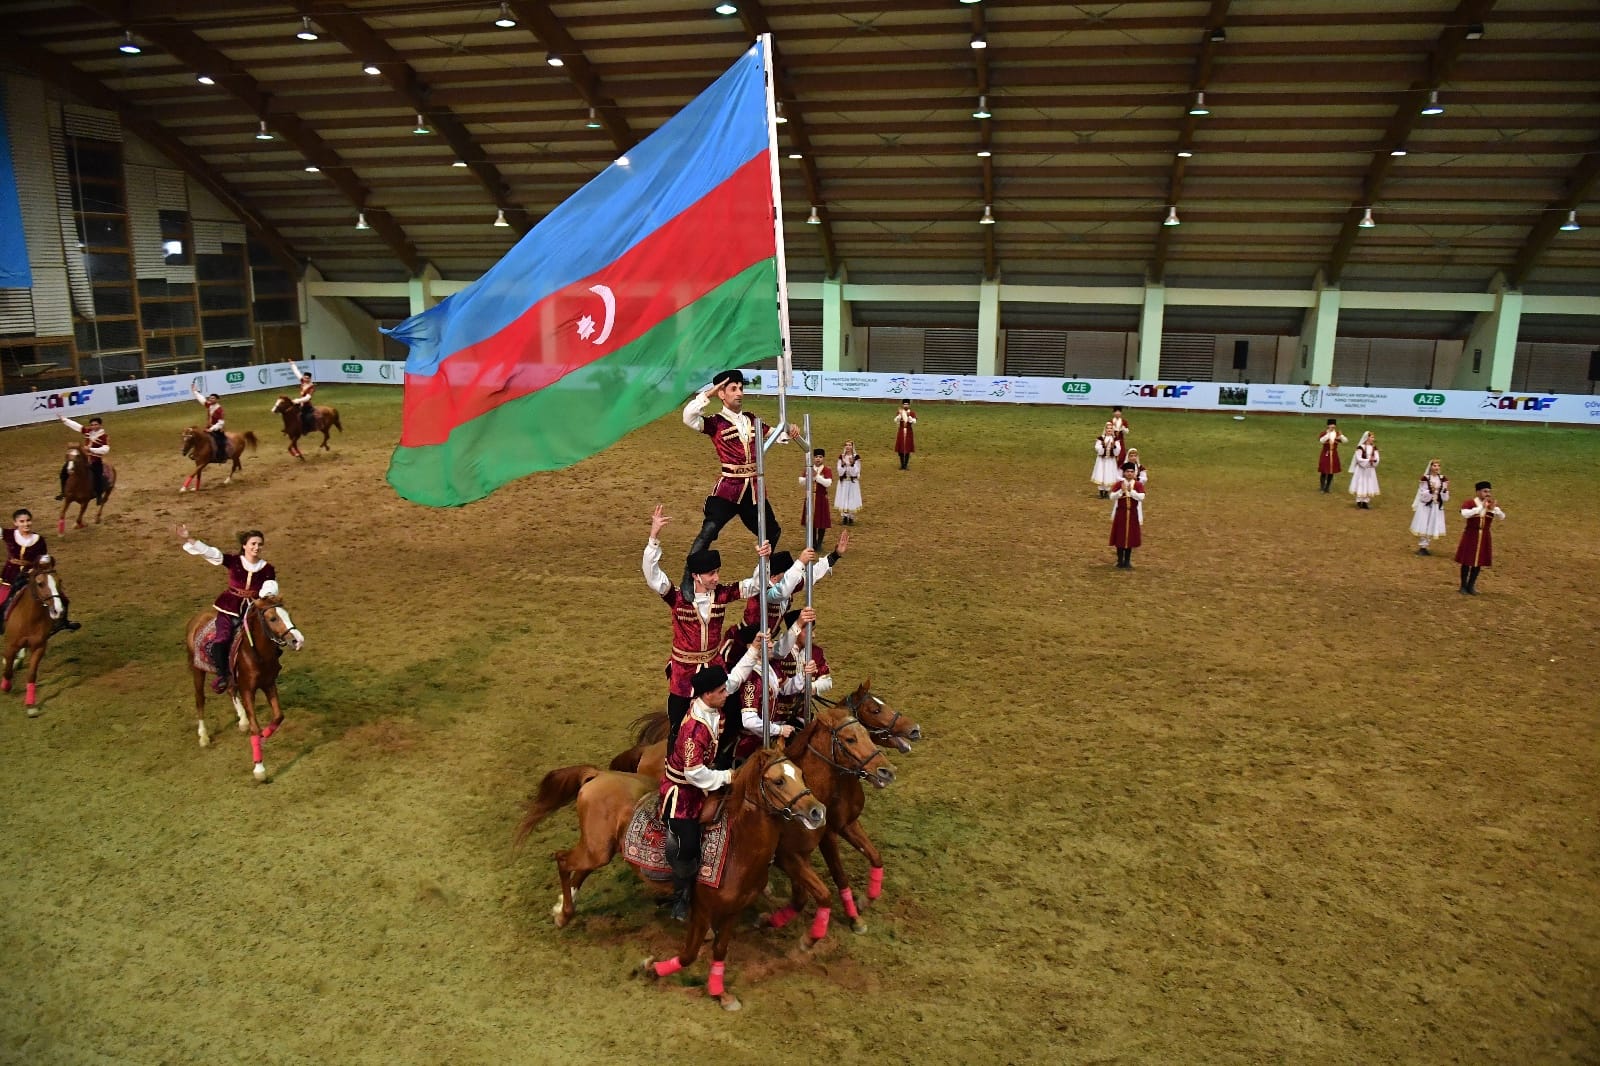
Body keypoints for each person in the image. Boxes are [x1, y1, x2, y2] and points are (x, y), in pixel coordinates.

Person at [643, 505, 775, 747]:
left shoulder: (722, 594)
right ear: (696, 576)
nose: (716, 578)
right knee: (677, 726)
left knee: (727, 716)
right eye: (711, 574)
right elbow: (653, 576)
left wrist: (763, 559)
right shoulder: (678, 598)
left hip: (713, 667)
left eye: (717, 573)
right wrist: (653, 537)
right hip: (683, 674)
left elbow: (755, 585)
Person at [658, 636, 768, 922]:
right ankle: (681, 895)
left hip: (706, 773)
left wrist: (755, 648)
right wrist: (729, 775)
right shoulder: (695, 730)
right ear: (708, 696)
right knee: (688, 844)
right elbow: (694, 774)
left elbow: (734, 679)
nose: (726, 694)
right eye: (721, 692)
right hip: (683, 792)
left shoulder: (710, 700)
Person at [680, 369, 797, 593]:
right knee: (708, 532)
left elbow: (778, 435)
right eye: (733, 389)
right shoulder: (715, 422)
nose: (739, 393)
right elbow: (688, 418)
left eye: (741, 388)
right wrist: (708, 395)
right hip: (728, 488)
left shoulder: (753, 420)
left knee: (773, 532)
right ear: (722, 394)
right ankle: (689, 576)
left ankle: (762, 574)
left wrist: (790, 430)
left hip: (753, 489)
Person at [177, 524, 279, 692]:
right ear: (244, 545)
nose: (256, 547)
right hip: (229, 607)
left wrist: (264, 597)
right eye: (253, 544)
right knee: (223, 638)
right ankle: (223, 675)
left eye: (259, 544)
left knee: (270, 635)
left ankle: (269, 669)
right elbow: (210, 552)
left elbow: (270, 586)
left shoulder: (267, 569)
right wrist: (189, 539)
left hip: (252, 608)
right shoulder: (233, 561)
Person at [2, 508, 79, 633]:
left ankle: (61, 622)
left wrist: (32, 564)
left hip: (32, 575)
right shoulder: (9, 534)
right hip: (10, 576)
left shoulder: (39, 540)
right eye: (22, 521)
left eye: (28, 521)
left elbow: (44, 560)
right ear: (15, 523)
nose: (25, 524)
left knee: (62, 598)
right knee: (2, 599)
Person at [1454, 481, 1505, 595]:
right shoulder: (1470, 503)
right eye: (1485, 491)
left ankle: (1471, 585)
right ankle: (1463, 585)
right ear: (1478, 492)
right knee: (1467, 561)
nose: (1487, 494)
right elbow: (1465, 514)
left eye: (1489, 491)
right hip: (1471, 534)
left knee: (1478, 562)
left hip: (1484, 536)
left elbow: (1502, 517)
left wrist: (1494, 509)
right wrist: (1480, 508)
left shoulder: (1491, 505)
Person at [56, 413, 109, 502]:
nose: (93, 426)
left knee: (98, 476)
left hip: (95, 460)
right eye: (92, 425)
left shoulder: (104, 436)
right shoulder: (88, 431)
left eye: (95, 424)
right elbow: (77, 426)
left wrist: (91, 449)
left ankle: (99, 495)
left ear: (100, 425)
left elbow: (106, 449)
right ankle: (63, 492)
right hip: (83, 458)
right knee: (65, 470)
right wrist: (65, 420)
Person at [1108, 461, 1144, 569]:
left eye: (1132, 472)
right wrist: (1121, 492)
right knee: (1120, 536)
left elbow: (1142, 497)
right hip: (1121, 513)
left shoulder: (1138, 484)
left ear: (1134, 473)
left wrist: (1131, 492)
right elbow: (1112, 496)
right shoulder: (1119, 484)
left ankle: (1127, 561)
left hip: (1132, 513)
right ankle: (1120, 560)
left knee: (1130, 536)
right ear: (1124, 473)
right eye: (1127, 471)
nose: (1129, 473)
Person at [1410, 459, 1450, 555]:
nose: (1437, 468)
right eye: (1434, 466)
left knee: (1432, 523)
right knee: (1424, 523)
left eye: (1438, 466)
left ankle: (1426, 545)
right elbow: (1422, 494)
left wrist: (1444, 491)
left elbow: (1445, 497)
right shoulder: (1425, 479)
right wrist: (1430, 492)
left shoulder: (1442, 479)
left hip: (1436, 506)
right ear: (1430, 467)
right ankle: (1422, 546)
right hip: (1426, 506)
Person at [799, 448, 833, 552]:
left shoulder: (827, 470)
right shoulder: (809, 469)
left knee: (821, 521)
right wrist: (810, 477)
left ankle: (819, 543)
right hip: (810, 497)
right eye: (816, 457)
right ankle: (812, 542)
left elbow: (828, 483)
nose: (818, 459)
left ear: (823, 458)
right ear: (813, 458)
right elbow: (801, 481)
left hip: (821, 498)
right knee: (811, 521)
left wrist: (817, 477)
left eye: (820, 457)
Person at [191, 383, 228, 458]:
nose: (211, 399)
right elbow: (202, 399)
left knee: (220, 442)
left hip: (217, 429)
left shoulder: (220, 410)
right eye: (210, 398)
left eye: (213, 398)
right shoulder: (209, 405)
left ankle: (221, 455)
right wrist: (195, 391)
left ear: (217, 400)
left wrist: (211, 429)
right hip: (208, 428)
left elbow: (221, 423)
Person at [1349, 431, 1381, 508]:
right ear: (1367, 437)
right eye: (1372, 437)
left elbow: (1377, 457)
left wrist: (1374, 460)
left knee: (1368, 484)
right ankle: (1359, 501)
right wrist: (1368, 460)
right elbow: (1359, 458)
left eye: (1373, 437)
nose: (1373, 439)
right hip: (1361, 470)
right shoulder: (1361, 447)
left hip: (1370, 470)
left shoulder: (1374, 448)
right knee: (1361, 483)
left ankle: (1365, 502)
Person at [834, 441, 862, 525]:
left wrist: (851, 465)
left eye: (850, 445)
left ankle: (851, 517)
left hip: (852, 482)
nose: (848, 447)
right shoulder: (841, 457)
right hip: (844, 482)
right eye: (846, 445)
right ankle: (844, 517)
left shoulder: (856, 457)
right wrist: (843, 466)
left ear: (852, 447)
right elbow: (839, 471)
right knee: (844, 498)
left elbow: (857, 471)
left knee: (851, 498)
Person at [1317, 419, 1347, 493]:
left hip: (1333, 454)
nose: (1332, 426)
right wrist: (1328, 434)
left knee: (1331, 471)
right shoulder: (1324, 433)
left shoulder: (1337, 434)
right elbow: (1321, 440)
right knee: (1324, 470)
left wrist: (1341, 436)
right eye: (1331, 425)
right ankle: (1322, 487)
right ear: (1328, 425)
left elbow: (1345, 441)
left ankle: (1327, 487)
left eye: (1334, 425)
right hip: (1325, 453)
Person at [288, 359, 317, 432]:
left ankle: (306, 429)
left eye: (307, 378)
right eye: (305, 377)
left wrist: (297, 400)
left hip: (307, 405)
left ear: (310, 379)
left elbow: (307, 398)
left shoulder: (311, 387)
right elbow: (297, 373)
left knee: (305, 417)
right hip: (300, 403)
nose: (305, 379)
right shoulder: (302, 381)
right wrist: (292, 364)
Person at [1091, 423, 1120, 498]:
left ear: (1112, 430)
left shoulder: (1115, 439)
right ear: (1105, 429)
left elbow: (1118, 451)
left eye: (1111, 428)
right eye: (1108, 428)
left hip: (1110, 461)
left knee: (1109, 474)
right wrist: (1103, 446)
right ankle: (1101, 492)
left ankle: (1106, 492)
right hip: (1102, 460)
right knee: (1101, 473)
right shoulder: (1101, 438)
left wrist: (1114, 447)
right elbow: (1097, 449)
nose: (1109, 430)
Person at [1123, 447, 1149, 525]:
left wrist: (1136, 478)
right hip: (1125, 487)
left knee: (1136, 503)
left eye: (1135, 456)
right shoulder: (1124, 466)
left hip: (1135, 487)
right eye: (1131, 456)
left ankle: (1135, 520)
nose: (1133, 457)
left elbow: (1144, 478)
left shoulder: (1140, 467)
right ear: (1128, 456)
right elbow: (1118, 477)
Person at [893, 399, 917, 469]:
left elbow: (914, 421)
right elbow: (895, 420)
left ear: (909, 405)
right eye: (904, 404)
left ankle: (905, 465)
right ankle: (902, 464)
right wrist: (900, 415)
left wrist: (909, 416)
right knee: (900, 448)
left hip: (909, 431)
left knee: (907, 448)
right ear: (903, 405)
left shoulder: (912, 413)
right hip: (901, 431)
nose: (906, 405)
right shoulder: (900, 412)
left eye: (907, 404)